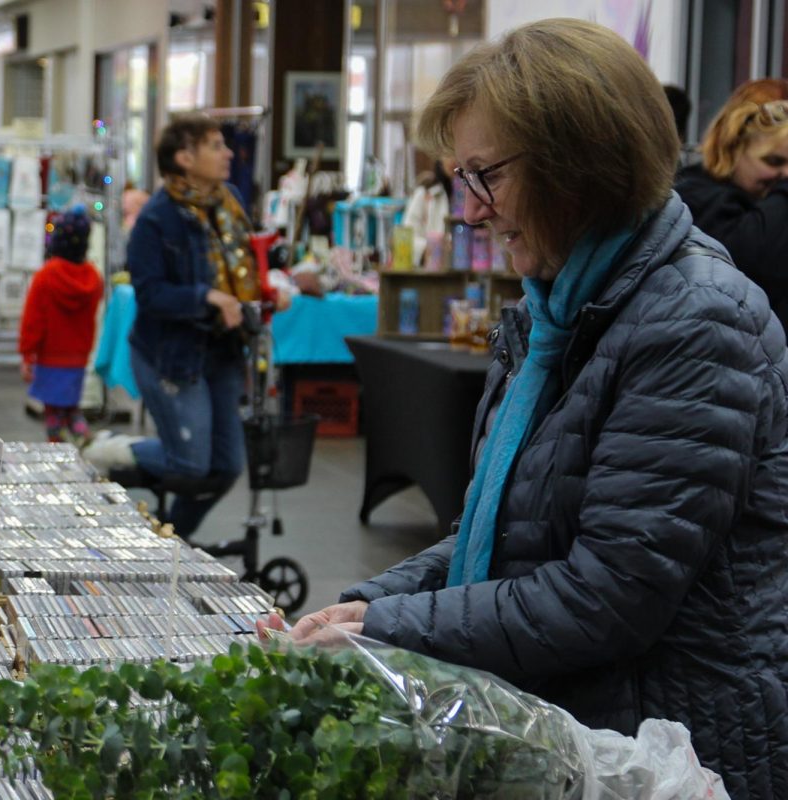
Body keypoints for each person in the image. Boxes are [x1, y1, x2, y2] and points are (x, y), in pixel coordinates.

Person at [261, 19, 788, 798]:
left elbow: (606, 596)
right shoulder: (559, 314)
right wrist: (363, 605)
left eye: (486, 177)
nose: (469, 212)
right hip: (589, 727)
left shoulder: (695, 321)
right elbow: (504, 536)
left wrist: (387, 627)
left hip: (672, 750)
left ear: (581, 167)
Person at [84, 114, 289, 537]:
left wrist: (271, 290)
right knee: (191, 463)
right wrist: (206, 297)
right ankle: (112, 450)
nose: (229, 152)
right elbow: (151, 294)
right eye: (216, 145)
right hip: (170, 358)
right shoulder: (157, 219)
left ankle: (173, 539)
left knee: (227, 465)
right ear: (184, 157)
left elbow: (247, 267)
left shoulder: (229, 201)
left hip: (224, 352)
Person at [675, 78, 788, 333]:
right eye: (773, 161)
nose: (784, 174)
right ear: (732, 150)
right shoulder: (695, 199)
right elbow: (757, 261)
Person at [18, 206, 104, 446]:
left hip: (49, 357)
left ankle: (56, 450)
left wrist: (27, 354)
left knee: (53, 412)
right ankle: (82, 438)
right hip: (77, 356)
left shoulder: (46, 276)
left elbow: (33, 320)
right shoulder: (93, 278)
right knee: (71, 407)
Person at [401, 157, 453, 268]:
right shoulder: (424, 194)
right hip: (432, 273)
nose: (452, 158)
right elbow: (406, 238)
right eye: (446, 151)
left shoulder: (477, 195)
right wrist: (431, 249)